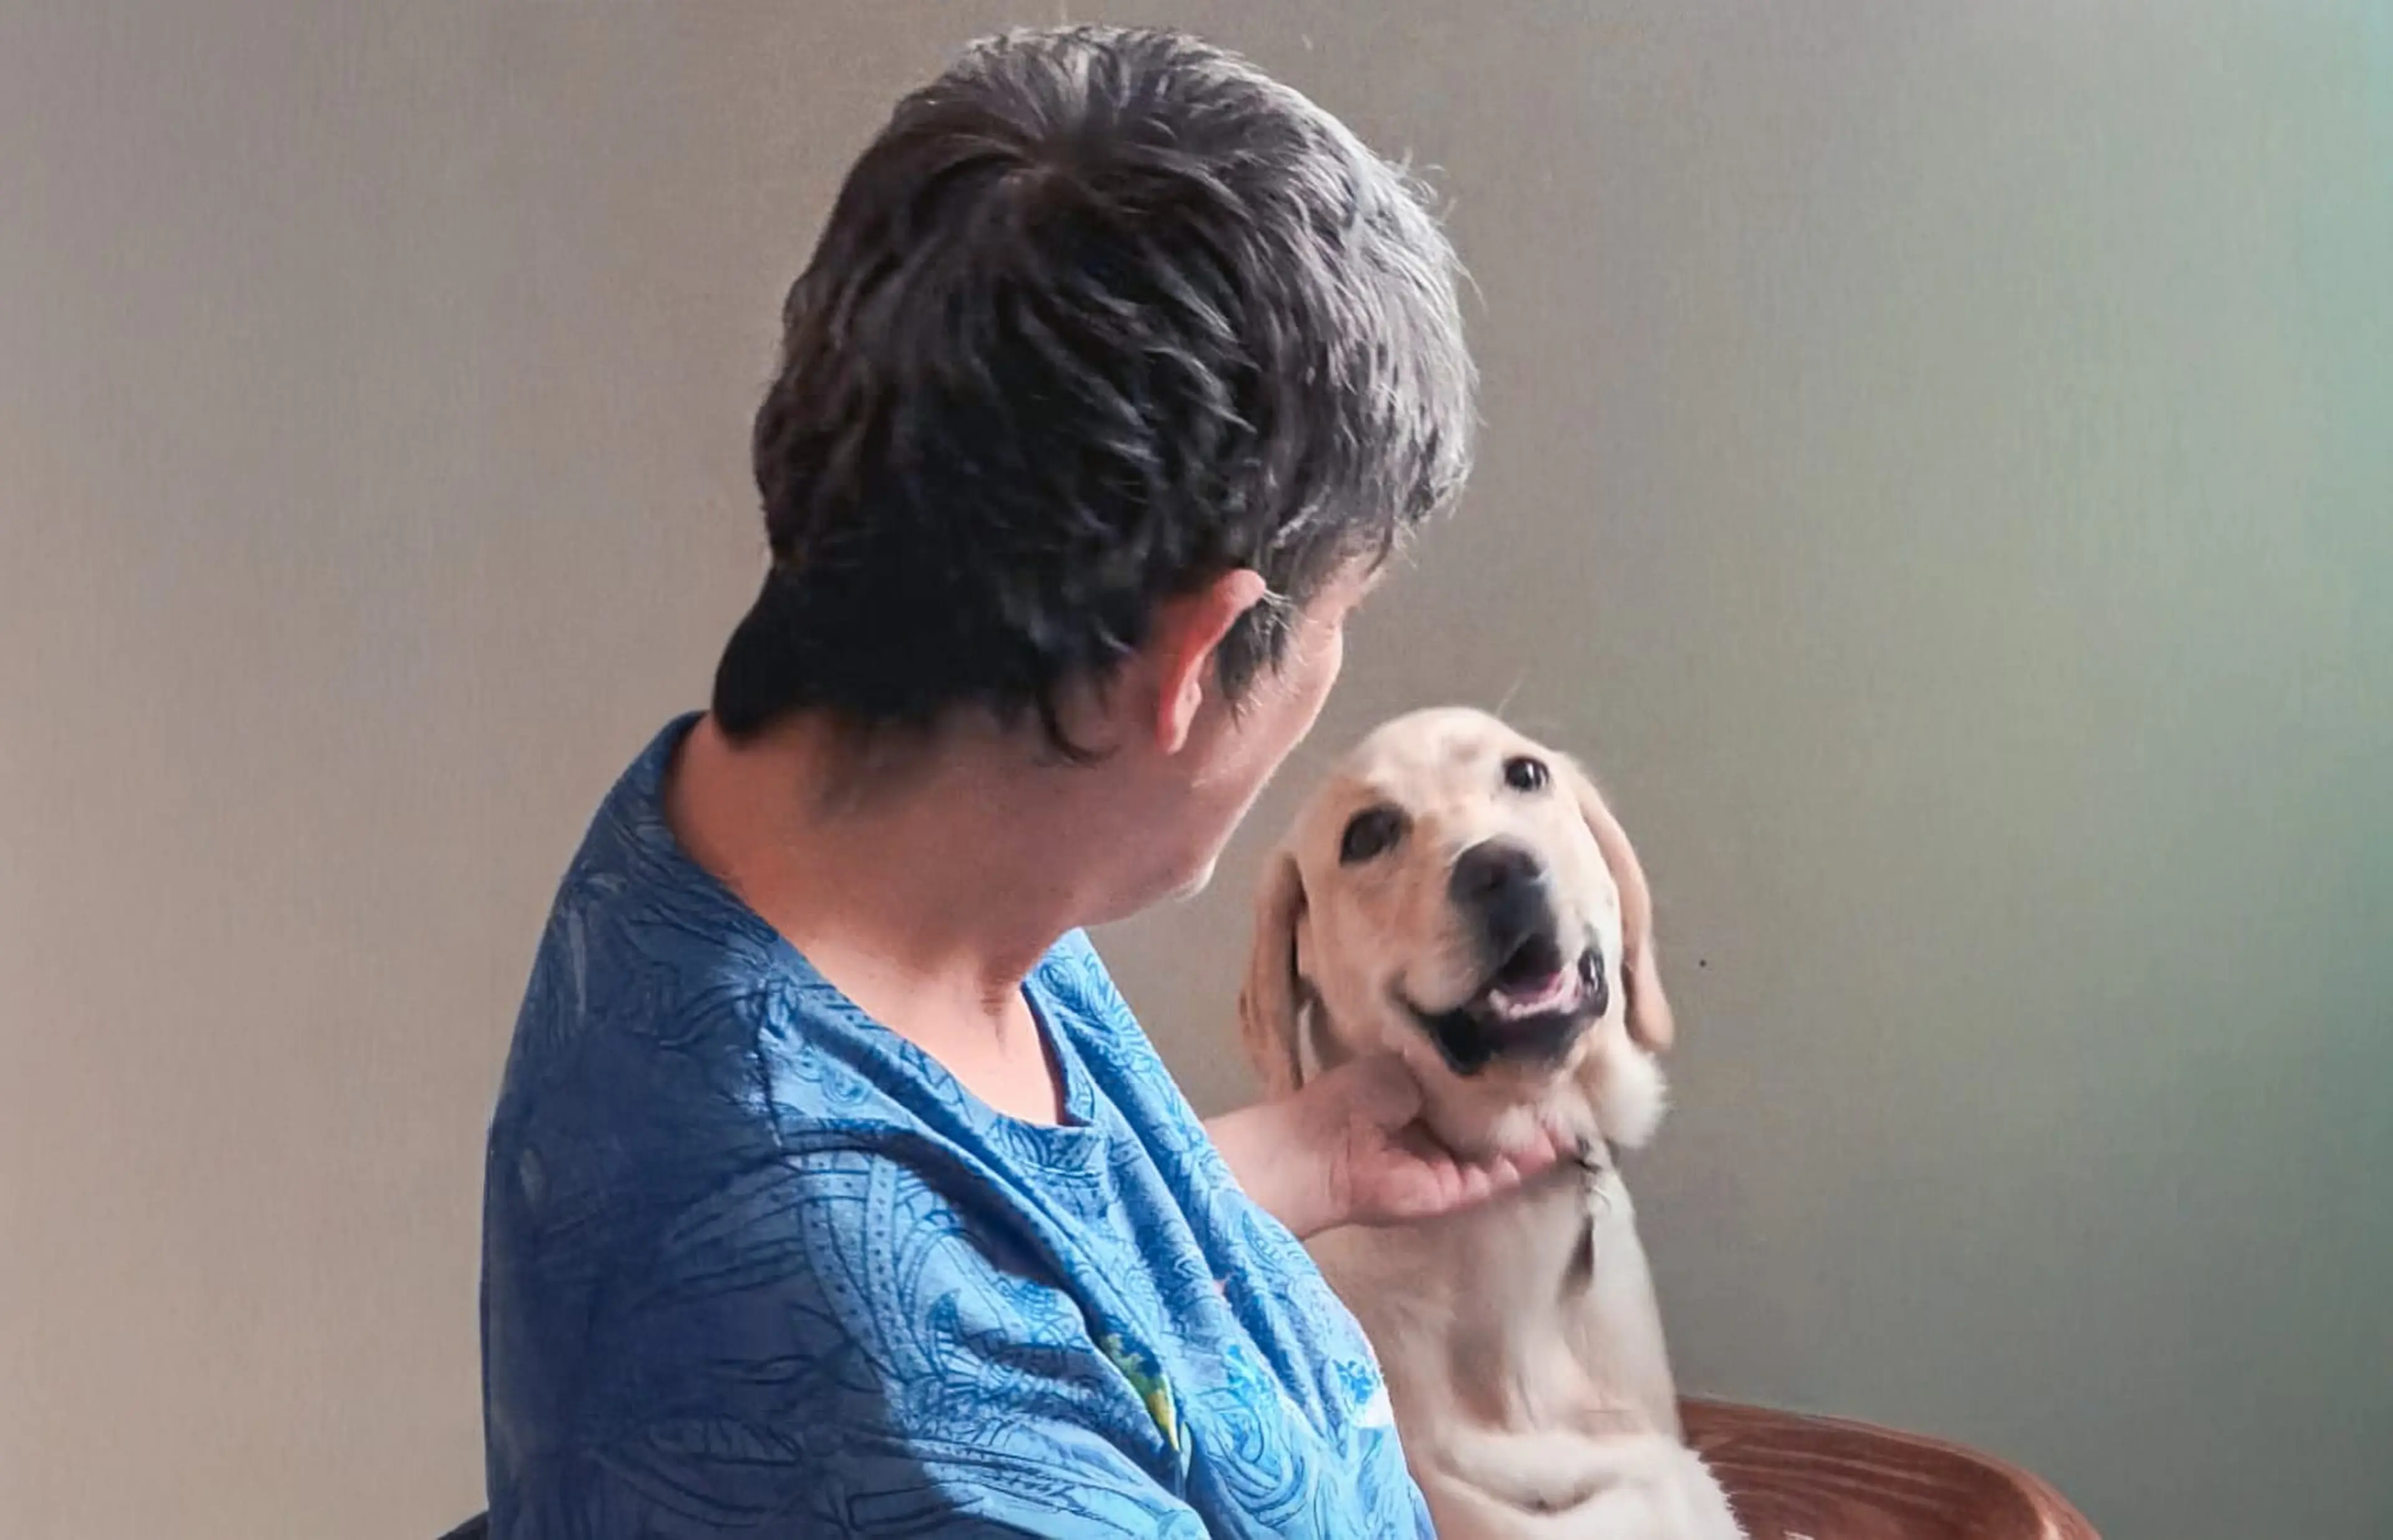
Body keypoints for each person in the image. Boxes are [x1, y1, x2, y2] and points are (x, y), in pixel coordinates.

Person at [480, 25, 1562, 1539]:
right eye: (1341, 618)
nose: (1331, 672)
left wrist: (1298, 1156)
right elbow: (920, 1344)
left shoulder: (812, 828)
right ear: (1194, 661)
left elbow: (1005, 1269)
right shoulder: (914, 1424)